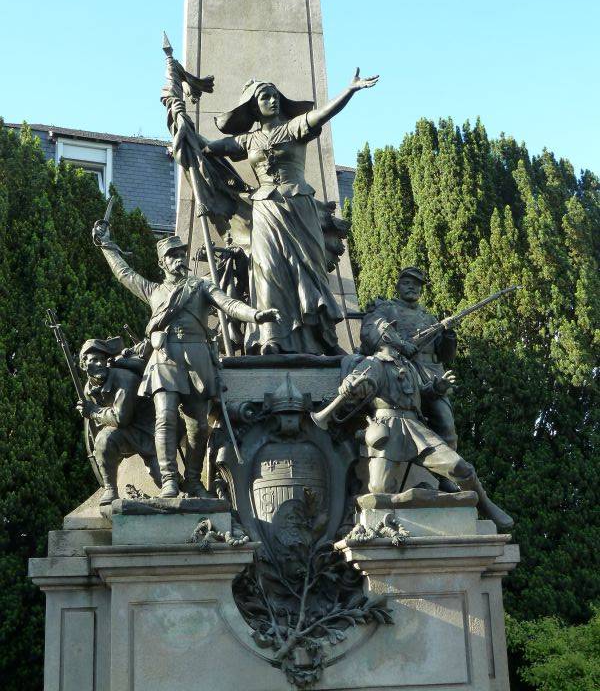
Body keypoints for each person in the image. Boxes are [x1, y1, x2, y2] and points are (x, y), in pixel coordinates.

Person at [200, 68, 378, 355]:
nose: (272, 101)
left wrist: (350, 90)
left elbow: (323, 114)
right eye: (265, 97)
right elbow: (207, 149)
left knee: (309, 269)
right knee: (268, 269)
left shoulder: (294, 127)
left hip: (298, 206)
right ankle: (271, 336)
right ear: (254, 107)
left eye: (274, 96)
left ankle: (320, 338)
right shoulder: (248, 141)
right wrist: (181, 125)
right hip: (266, 209)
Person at [92, 226, 279, 498]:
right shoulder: (153, 290)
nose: (178, 258)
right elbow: (124, 274)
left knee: (199, 426)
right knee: (165, 418)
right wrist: (107, 245)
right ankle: (169, 479)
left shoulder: (201, 286)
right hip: (165, 358)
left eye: (181, 253)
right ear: (161, 262)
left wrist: (255, 316)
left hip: (197, 358)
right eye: (171, 255)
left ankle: (192, 480)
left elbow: (228, 305)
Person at [339, 321, 514, 530]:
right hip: (389, 430)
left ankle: (485, 504)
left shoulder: (407, 364)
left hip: (416, 427)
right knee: (379, 490)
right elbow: (357, 387)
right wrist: (349, 385)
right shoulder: (374, 364)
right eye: (392, 329)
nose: (398, 332)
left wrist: (437, 388)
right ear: (384, 337)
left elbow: (420, 394)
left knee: (461, 468)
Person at [361, 267, 458, 487]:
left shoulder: (429, 317)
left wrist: (449, 334)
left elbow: (445, 355)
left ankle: (445, 478)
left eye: (417, 285)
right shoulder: (386, 309)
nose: (412, 288)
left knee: (446, 425)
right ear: (397, 285)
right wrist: (401, 346)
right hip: (400, 373)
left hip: (431, 375)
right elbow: (372, 334)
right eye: (407, 283)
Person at [78, 337, 160, 506]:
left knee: (162, 479)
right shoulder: (89, 388)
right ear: (84, 365)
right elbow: (98, 426)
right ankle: (110, 489)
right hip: (124, 432)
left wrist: (92, 411)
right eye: (94, 360)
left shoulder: (125, 379)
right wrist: (100, 453)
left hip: (149, 432)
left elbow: (120, 418)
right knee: (103, 440)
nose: (100, 364)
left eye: (102, 360)